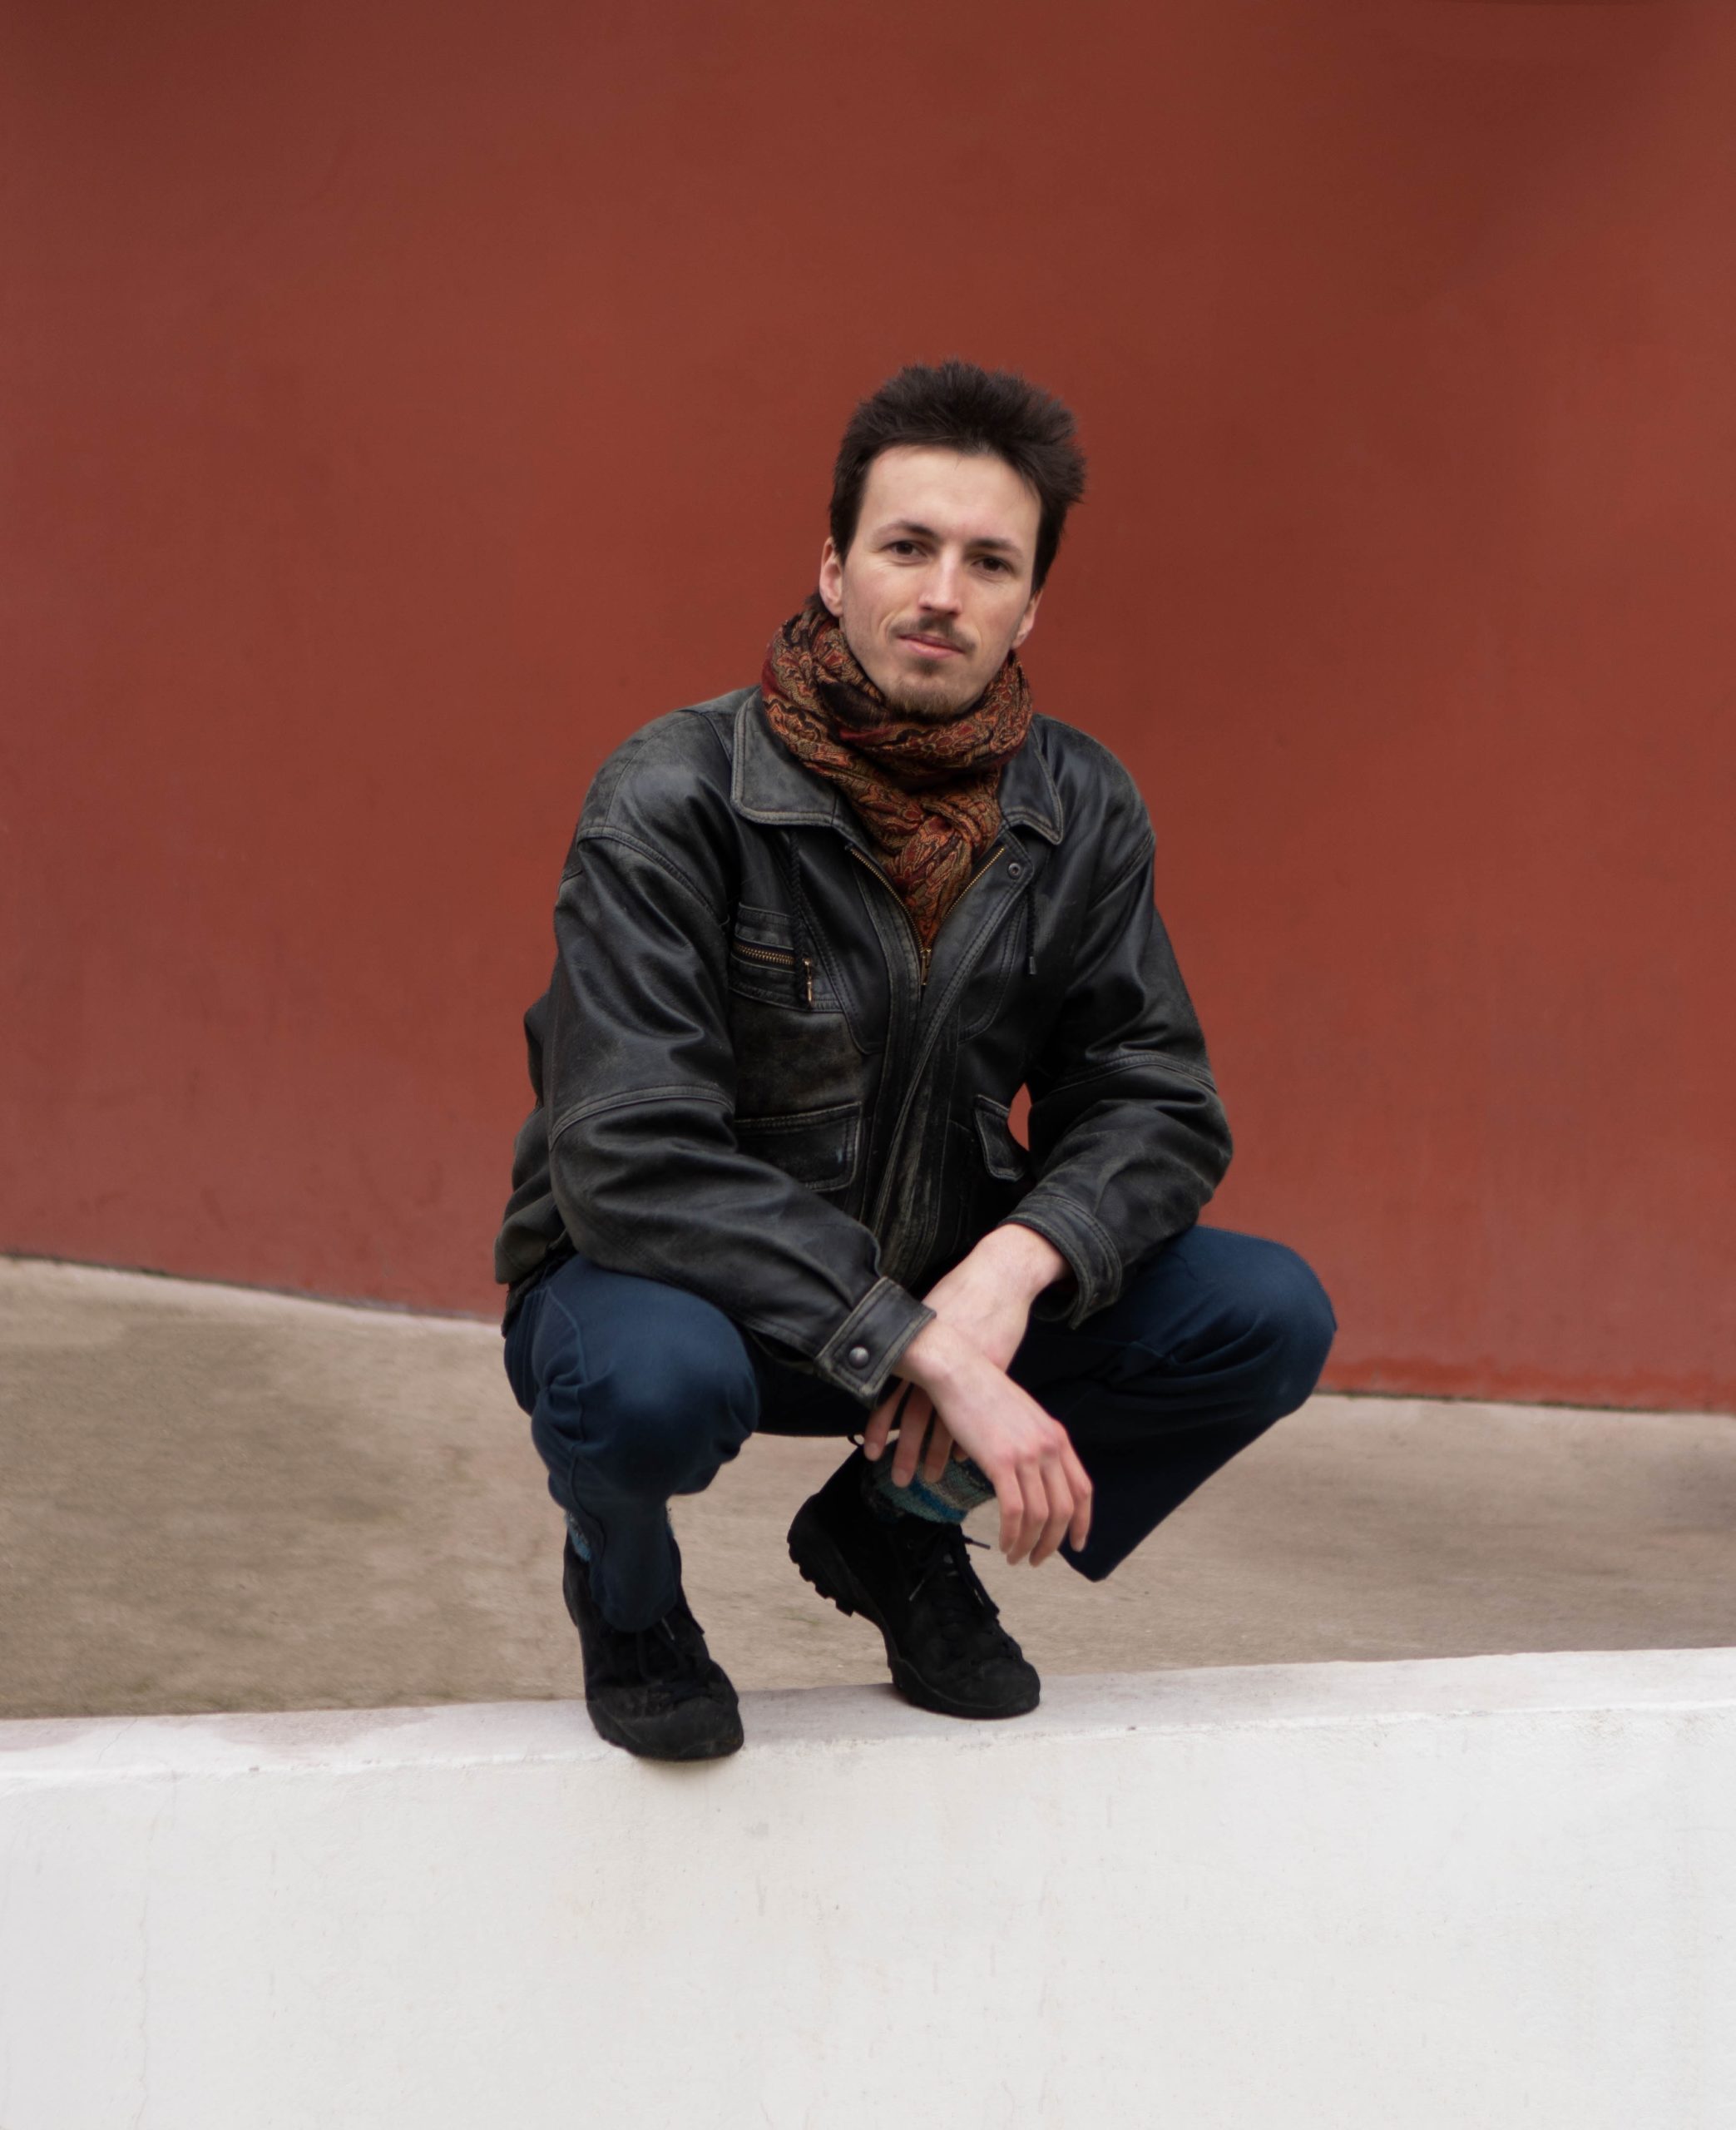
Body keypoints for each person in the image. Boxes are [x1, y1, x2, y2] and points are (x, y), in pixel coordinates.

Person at [496, 359, 1335, 1761]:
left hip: (939, 1295)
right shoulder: (675, 793)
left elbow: (1156, 1099)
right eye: (907, 547)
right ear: (835, 570)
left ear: (1030, 606)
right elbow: (628, 1151)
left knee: (1264, 1313)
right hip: (687, 1299)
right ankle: (625, 1589)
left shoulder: (1081, 806)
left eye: (988, 562)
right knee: (643, 1394)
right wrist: (920, 1341)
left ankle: (894, 1528)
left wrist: (1007, 1274)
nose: (944, 591)